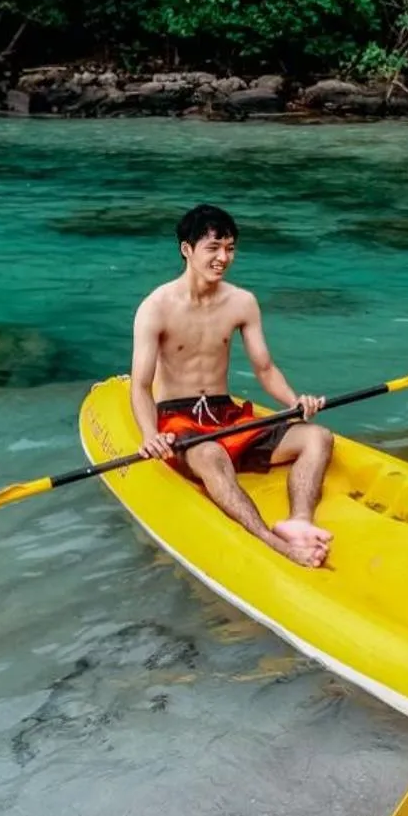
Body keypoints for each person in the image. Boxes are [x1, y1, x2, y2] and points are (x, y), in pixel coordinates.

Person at [131, 203, 333, 568]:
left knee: (318, 437)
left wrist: (294, 401)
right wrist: (150, 435)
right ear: (186, 249)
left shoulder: (242, 302)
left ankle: (299, 521)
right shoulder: (155, 307)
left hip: (227, 416)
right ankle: (275, 544)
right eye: (213, 248)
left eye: (230, 248)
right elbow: (141, 386)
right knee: (211, 455)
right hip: (180, 422)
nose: (223, 257)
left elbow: (265, 368)